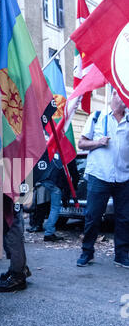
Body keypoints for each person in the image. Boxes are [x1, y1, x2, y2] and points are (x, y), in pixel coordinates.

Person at [76, 90, 129, 268]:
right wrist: (98, 142)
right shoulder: (97, 116)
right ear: (114, 94)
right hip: (100, 175)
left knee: (124, 218)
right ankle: (87, 252)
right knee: (93, 216)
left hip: (123, 176)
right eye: (122, 94)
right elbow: (81, 143)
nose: (125, 98)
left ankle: (121, 255)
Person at [0, 198, 31, 293]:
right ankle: (17, 268)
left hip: (11, 192)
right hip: (11, 191)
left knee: (12, 226)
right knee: (10, 226)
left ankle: (18, 275)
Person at [40, 155, 78, 242]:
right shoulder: (68, 154)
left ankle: (44, 228)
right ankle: (49, 233)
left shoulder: (54, 151)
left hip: (45, 179)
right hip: (55, 182)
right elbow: (74, 174)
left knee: (50, 206)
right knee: (55, 208)